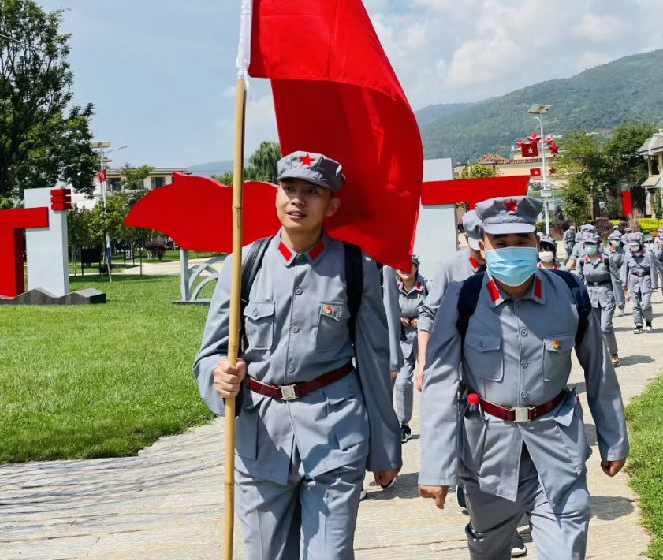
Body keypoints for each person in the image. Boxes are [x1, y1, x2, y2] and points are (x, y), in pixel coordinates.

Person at [193, 151, 401, 559]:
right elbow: (210, 353)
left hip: (336, 435)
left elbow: (376, 363)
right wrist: (218, 378)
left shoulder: (356, 267)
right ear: (275, 194)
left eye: (312, 192)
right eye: (289, 188)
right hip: (260, 440)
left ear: (332, 204)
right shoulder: (244, 264)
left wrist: (385, 448)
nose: (298, 200)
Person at [418, 196, 628, 559]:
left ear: (537, 242)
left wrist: (613, 440)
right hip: (487, 456)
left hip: (557, 446)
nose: (512, 250)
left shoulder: (569, 293)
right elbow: (440, 382)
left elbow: (599, 372)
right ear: (482, 246)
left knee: (565, 548)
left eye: (521, 240)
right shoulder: (462, 299)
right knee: (489, 548)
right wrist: (436, 467)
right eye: (500, 243)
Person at [416, 209, 486, 391]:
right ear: (465, 238)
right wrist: (423, 361)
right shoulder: (451, 266)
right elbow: (428, 313)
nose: (481, 253)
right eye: (476, 248)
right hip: (456, 361)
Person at [393, 255, 427, 443]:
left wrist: (422, 320)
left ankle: (434, 424)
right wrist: (399, 318)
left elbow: (436, 309)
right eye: (401, 266)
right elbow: (387, 310)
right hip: (404, 341)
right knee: (402, 383)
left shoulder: (427, 287)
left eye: (409, 265)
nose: (405, 269)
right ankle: (403, 425)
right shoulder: (393, 289)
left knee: (429, 383)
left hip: (425, 343)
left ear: (416, 267)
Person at [577, 233, 623, 366]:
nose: (589, 247)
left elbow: (616, 280)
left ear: (598, 245)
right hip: (591, 296)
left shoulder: (607, 260)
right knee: (595, 328)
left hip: (607, 294)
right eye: (587, 244)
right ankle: (600, 354)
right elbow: (579, 282)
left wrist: (620, 301)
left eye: (592, 244)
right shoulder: (582, 261)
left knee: (606, 326)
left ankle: (613, 353)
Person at [621, 233, 658, 333]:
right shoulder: (628, 255)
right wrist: (624, 283)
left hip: (646, 279)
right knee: (635, 304)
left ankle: (649, 321)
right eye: (631, 245)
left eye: (635, 244)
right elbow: (624, 269)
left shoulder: (648, 254)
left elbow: (653, 269)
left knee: (645, 304)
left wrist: (654, 284)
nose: (633, 247)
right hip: (633, 280)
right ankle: (638, 324)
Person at [606, 229, 627, 316]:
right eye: (615, 240)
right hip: (606, 274)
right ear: (610, 241)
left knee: (618, 291)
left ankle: (621, 308)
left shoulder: (621, 251)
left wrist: (621, 275)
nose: (617, 242)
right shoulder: (605, 251)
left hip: (616, 274)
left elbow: (623, 264)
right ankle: (609, 308)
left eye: (618, 240)